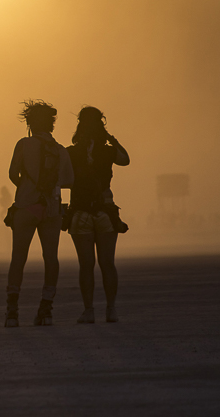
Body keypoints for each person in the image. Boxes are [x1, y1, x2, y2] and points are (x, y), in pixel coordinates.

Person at [5, 100, 74, 327]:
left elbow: (13, 174)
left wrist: (26, 187)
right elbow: (68, 181)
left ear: (30, 123)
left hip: (26, 205)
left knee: (18, 258)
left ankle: (12, 313)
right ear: (51, 125)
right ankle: (46, 310)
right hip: (52, 208)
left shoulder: (24, 145)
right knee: (51, 258)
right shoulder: (61, 151)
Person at [66, 106, 130, 324]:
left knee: (86, 265)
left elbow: (62, 177)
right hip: (106, 210)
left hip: (80, 211)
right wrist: (112, 139)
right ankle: (111, 310)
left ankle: (89, 310)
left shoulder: (71, 152)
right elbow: (126, 159)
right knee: (107, 263)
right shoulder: (108, 151)